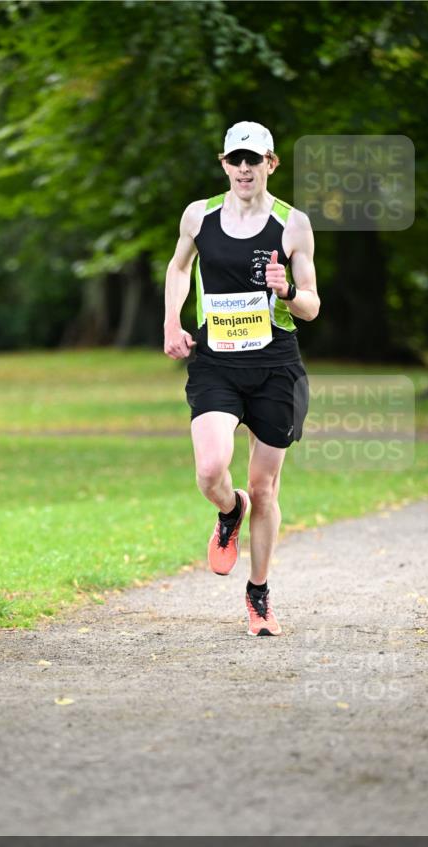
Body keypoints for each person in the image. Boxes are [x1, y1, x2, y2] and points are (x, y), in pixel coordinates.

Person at [163, 121, 320, 636]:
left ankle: (258, 596)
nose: (245, 168)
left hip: (276, 364)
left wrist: (287, 292)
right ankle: (229, 511)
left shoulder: (292, 224)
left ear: (271, 163)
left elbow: (312, 305)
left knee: (265, 486)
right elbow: (180, 268)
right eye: (236, 160)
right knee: (211, 471)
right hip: (216, 362)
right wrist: (172, 320)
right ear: (224, 164)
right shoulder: (199, 216)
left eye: (255, 159)